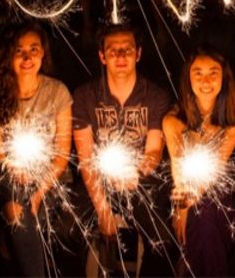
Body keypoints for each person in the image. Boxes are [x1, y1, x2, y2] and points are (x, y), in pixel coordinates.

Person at [71, 23, 176, 276]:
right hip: (97, 181)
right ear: (102, 56)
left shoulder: (155, 96)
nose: (120, 56)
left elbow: (153, 152)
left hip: (139, 182)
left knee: (163, 239)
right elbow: (86, 158)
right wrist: (102, 209)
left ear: (138, 54)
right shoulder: (85, 96)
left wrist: (136, 172)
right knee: (66, 230)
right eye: (112, 50)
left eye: (127, 49)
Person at [0, 22, 73, 277]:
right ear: (8, 54)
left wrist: (40, 191)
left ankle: (10, 239)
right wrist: (14, 168)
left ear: (43, 53)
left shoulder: (57, 92)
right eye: (19, 50)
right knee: (19, 204)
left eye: (34, 49)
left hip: (51, 179)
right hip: (8, 178)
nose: (28, 56)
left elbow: (62, 156)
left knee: (20, 214)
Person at [163, 45, 235, 277]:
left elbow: (218, 164)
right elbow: (178, 168)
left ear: (223, 77)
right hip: (184, 194)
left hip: (219, 191)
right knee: (201, 220)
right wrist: (182, 207)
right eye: (197, 73)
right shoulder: (173, 121)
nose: (205, 80)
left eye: (213, 72)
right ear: (188, 78)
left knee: (206, 214)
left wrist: (189, 205)